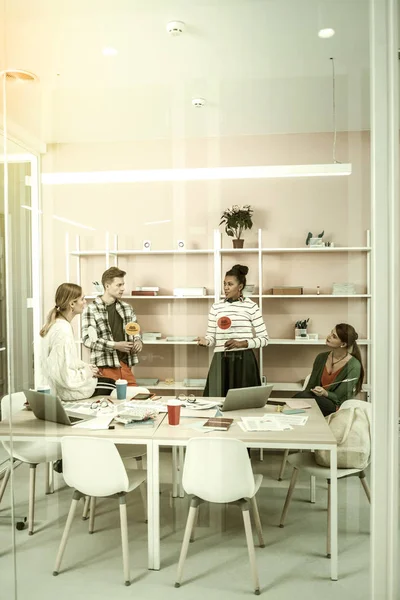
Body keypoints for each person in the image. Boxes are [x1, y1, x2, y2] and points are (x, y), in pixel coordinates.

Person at [197, 264, 269, 397]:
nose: (225, 287)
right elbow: (211, 338)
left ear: (240, 286)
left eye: (230, 284)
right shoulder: (216, 307)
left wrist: (242, 343)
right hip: (220, 360)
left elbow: (264, 339)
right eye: (224, 284)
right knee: (215, 402)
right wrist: (205, 341)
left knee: (245, 403)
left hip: (244, 361)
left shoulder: (252, 307)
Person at [39, 283, 116, 401]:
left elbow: (64, 362)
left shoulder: (56, 324)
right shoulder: (63, 330)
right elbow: (65, 377)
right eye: (82, 299)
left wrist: (86, 367)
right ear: (72, 304)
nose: (85, 302)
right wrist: (87, 373)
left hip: (58, 388)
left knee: (109, 383)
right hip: (66, 392)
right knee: (113, 385)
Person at [81, 267, 142, 385]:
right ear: (107, 286)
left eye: (123, 284)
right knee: (109, 402)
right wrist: (115, 345)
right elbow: (88, 340)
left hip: (125, 366)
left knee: (134, 398)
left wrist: (138, 341)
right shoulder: (92, 309)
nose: (123, 288)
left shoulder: (127, 308)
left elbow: (135, 333)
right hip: (105, 367)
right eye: (119, 285)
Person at [294, 323, 364, 416]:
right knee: (301, 398)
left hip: (335, 405)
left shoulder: (354, 365)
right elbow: (310, 387)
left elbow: (340, 398)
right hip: (316, 399)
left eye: (334, 336)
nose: (329, 337)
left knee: (299, 399)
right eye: (331, 333)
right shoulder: (321, 357)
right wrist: (311, 393)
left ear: (343, 344)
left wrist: (325, 393)